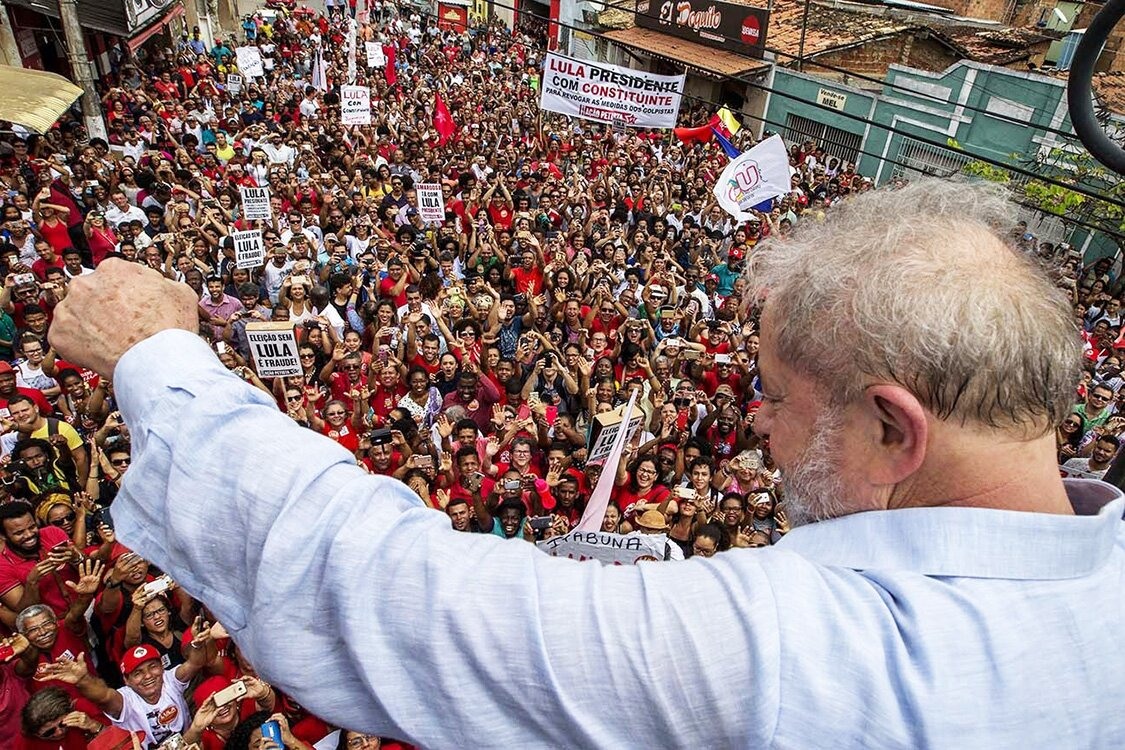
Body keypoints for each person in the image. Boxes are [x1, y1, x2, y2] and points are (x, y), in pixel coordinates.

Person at [47, 178, 1125, 746]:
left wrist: (158, 356)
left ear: (895, 430)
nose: (757, 428)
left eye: (776, 398)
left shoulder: (791, 648)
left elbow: (381, 589)